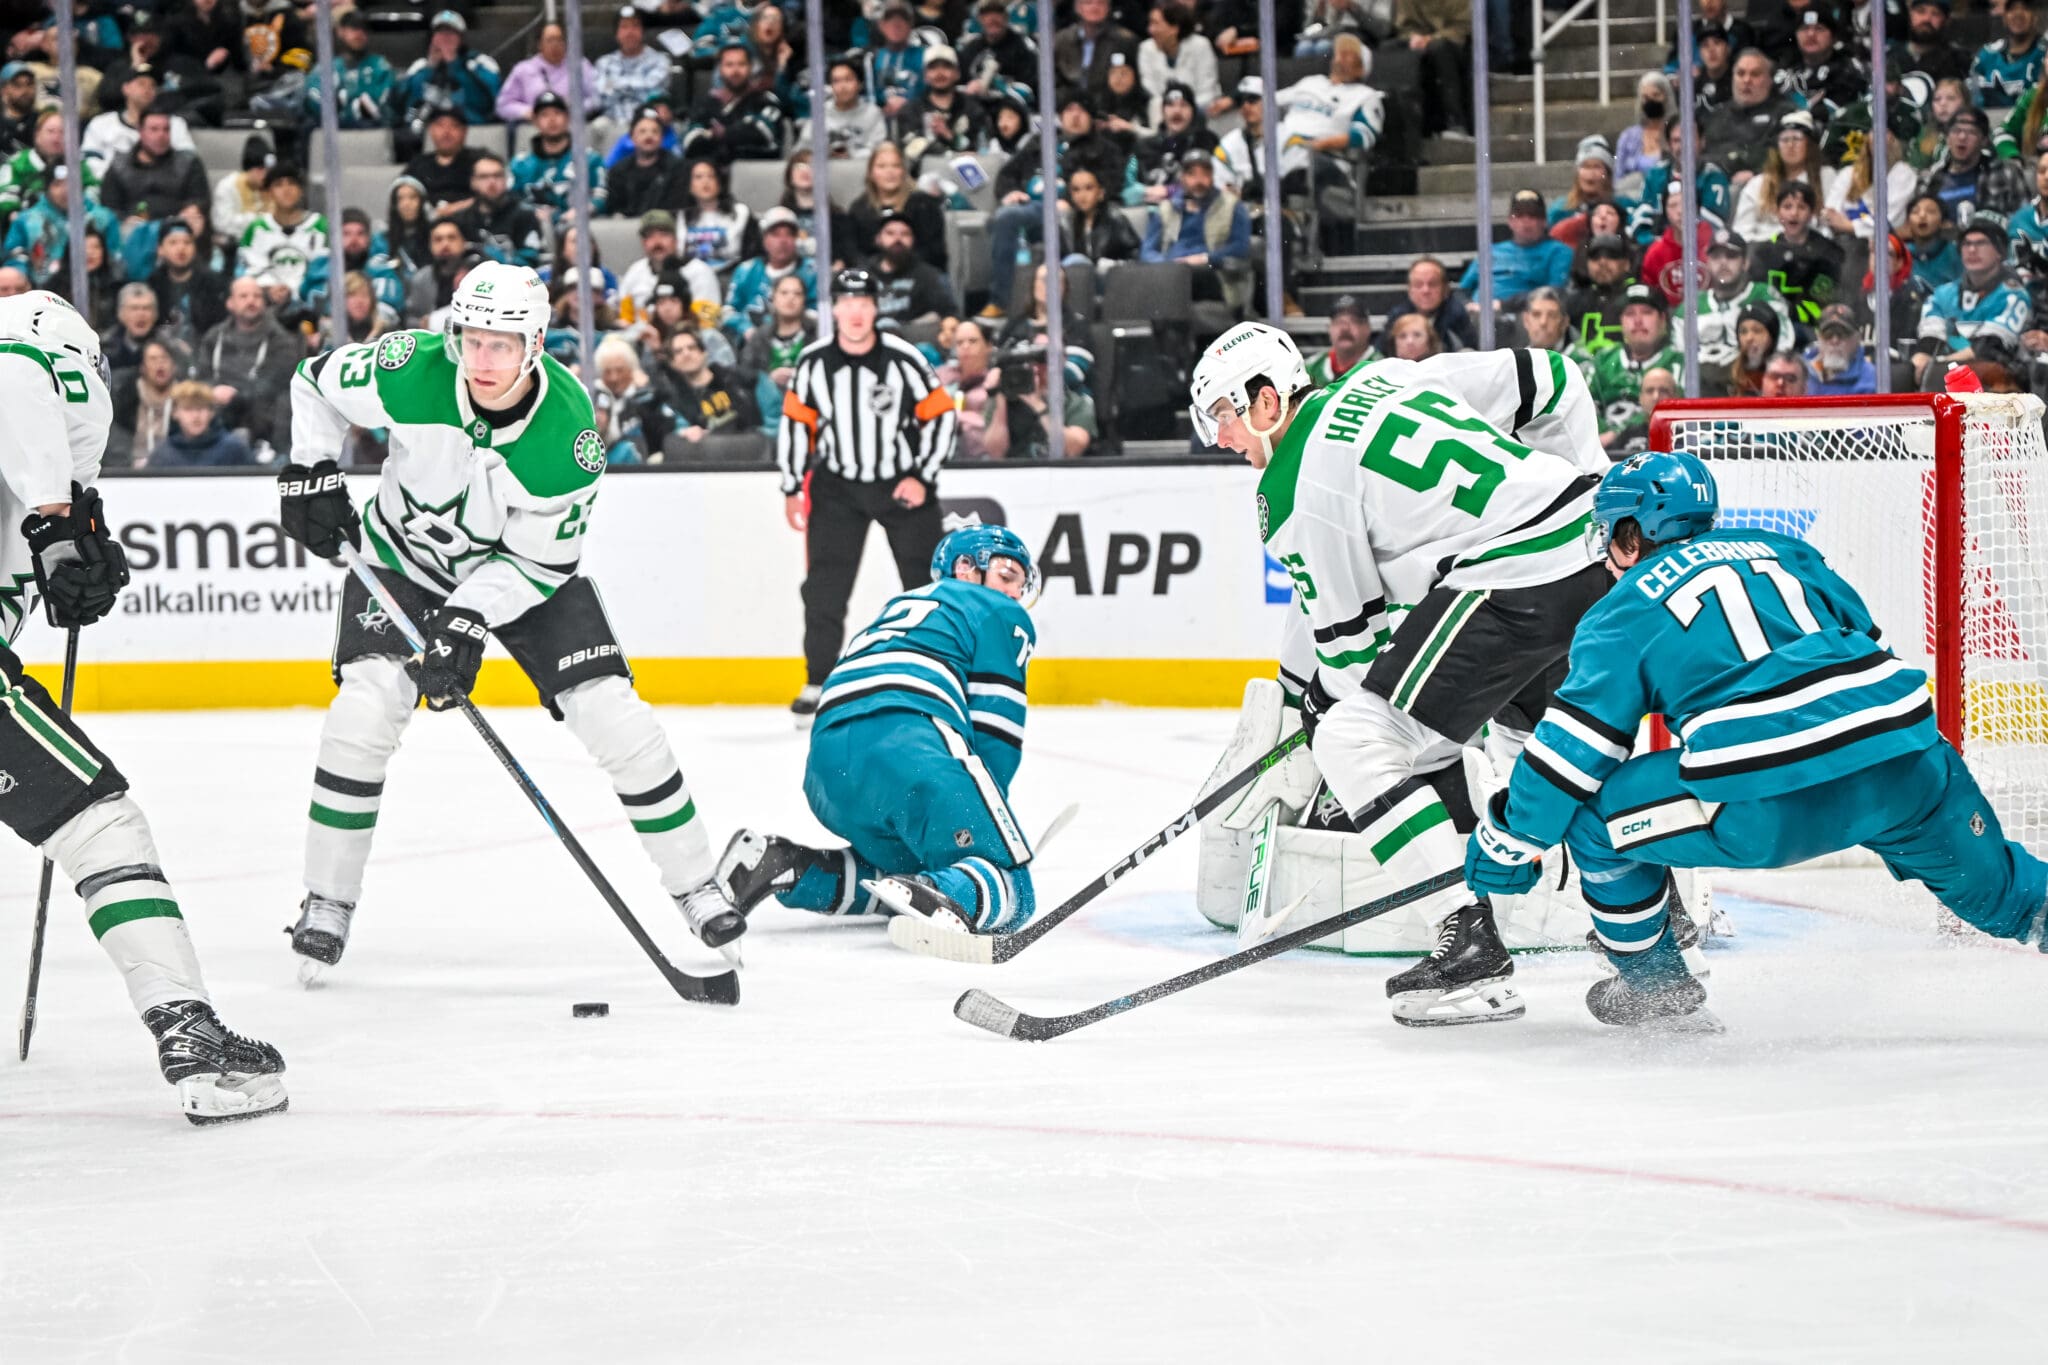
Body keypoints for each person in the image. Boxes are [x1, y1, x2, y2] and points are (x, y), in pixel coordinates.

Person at [1463, 449, 2048, 1029]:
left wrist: (1508, 841)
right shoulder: (1786, 549)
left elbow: (1572, 757)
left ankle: (1656, 989)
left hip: (1773, 805)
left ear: (1630, 533)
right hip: (1907, 764)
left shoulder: (1621, 610)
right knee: (2010, 898)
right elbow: (1863, 634)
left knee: (1593, 821)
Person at [279, 261, 747, 974]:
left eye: (503, 344)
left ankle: (696, 885)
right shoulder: (411, 367)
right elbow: (315, 381)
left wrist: (466, 616)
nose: (482, 359)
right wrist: (311, 467)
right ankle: (326, 900)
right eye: (472, 339)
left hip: (523, 573)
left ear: (535, 345)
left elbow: (537, 564)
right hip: (405, 559)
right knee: (362, 713)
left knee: (618, 717)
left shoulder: (567, 440)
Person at [1187, 322, 1609, 1026]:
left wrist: (1317, 712)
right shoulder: (1390, 376)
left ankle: (1466, 941)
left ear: (1266, 402)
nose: (1220, 439)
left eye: (1224, 417)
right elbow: (1555, 378)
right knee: (1558, 746)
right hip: (1595, 549)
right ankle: (1657, 932)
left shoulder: (1291, 487)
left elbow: (1355, 660)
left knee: (1353, 739)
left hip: (1513, 583)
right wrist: (1589, 481)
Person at [0, 290, 285, 1122]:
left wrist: (60, 531)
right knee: (100, 821)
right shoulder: (27, 360)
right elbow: (14, 367)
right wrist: (56, 520)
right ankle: (189, 1030)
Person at [718, 522, 1040, 937]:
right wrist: (993, 827)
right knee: (1012, 888)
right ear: (965, 567)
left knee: (903, 871)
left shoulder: (900, 606)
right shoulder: (999, 611)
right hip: (909, 741)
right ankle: (944, 895)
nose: (1015, 592)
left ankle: (784, 865)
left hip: (826, 767)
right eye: (1007, 575)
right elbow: (996, 734)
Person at [775, 268, 956, 725]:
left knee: (926, 586)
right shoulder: (814, 362)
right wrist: (793, 485)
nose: (856, 312)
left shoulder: (903, 357)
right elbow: (797, 424)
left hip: (900, 484)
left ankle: (936, 674)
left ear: (876, 309)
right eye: (847, 302)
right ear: (834, 309)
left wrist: (923, 476)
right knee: (824, 590)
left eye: (864, 303)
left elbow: (941, 416)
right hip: (839, 486)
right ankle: (818, 680)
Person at [1913, 212, 2031, 382]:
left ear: (2000, 252)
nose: (1972, 250)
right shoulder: (1943, 294)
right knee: (1904, 372)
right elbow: (1930, 338)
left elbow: (1990, 347)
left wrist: (1939, 367)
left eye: (1981, 243)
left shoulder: (2013, 295)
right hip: (1946, 372)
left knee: (1938, 375)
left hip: (2000, 382)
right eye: (1966, 244)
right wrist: (1920, 360)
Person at [1139, 148, 1252, 307]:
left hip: (1212, 273)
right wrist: (1168, 264)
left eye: (1204, 174)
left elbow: (1241, 247)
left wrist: (1206, 258)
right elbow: (1147, 251)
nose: (1199, 181)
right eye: (1192, 174)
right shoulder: (1166, 209)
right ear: (1183, 177)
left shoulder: (1231, 205)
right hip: (1172, 275)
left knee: (1193, 275)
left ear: (1212, 177)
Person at [197, 275, 299, 453]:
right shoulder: (214, 337)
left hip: (264, 421)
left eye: (257, 296)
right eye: (243, 296)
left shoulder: (282, 341)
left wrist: (236, 395)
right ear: (230, 303)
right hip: (217, 412)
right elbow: (202, 376)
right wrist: (212, 390)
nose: (251, 301)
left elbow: (271, 385)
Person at [1590, 283, 1686, 450]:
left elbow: (1678, 414)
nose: (1638, 321)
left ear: (1663, 320)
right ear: (1621, 321)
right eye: (1629, 314)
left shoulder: (1678, 361)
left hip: (1659, 449)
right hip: (1605, 453)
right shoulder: (1603, 359)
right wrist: (1600, 437)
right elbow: (1586, 407)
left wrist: (1618, 434)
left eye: (1647, 313)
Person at [1685, 228, 1793, 371]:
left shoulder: (1765, 296)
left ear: (1745, 263)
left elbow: (1783, 345)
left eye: (1731, 256)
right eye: (1716, 256)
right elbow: (1680, 356)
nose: (1723, 263)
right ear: (1707, 263)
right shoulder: (1693, 304)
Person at [1747, 181, 1845, 327]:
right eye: (1787, 207)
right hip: (1773, 327)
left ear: (1812, 213)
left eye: (1802, 207)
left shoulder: (1828, 252)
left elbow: (1832, 301)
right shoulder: (1763, 252)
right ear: (1777, 211)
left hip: (1815, 328)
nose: (1794, 213)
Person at [1456, 189, 1573, 311]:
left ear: (1544, 222)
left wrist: (1504, 305)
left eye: (1533, 216)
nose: (1526, 221)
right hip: (1477, 312)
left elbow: (1554, 294)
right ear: (1510, 222)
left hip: (1524, 315)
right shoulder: (1490, 251)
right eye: (1519, 215)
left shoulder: (1558, 251)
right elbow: (1462, 290)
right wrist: (1467, 304)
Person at [680, 37, 789, 164]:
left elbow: (761, 134)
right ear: (720, 69)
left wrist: (715, 134)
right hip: (713, 174)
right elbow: (691, 142)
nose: (735, 70)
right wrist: (739, 131)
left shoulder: (766, 100)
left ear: (751, 67)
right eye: (729, 65)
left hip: (755, 172)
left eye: (741, 64)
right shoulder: (705, 103)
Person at [395, 9, 501, 137]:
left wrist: (454, 64)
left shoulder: (480, 62)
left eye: (450, 33)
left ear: (461, 38)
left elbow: (486, 103)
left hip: (472, 129)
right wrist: (430, 69)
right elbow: (407, 103)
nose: (444, 37)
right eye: (440, 32)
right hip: (427, 130)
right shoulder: (420, 66)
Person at [1698, 49, 1800, 182]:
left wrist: (1756, 173)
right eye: (1740, 74)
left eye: (1755, 74)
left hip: (1765, 184)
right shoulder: (1716, 116)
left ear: (1769, 79)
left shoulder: (1786, 114)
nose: (1746, 80)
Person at [1916, 106, 2029, 225]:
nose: (1962, 137)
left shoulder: (2006, 173)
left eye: (1971, 132)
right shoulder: (1931, 178)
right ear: (1947, 138)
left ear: (1984, 140)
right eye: (1956, 131)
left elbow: (2024, 220)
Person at [98, 108, 208, 229]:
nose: (161, 135)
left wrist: (193, 209)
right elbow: (109, 207)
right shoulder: (119, 166)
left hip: (177, 228)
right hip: (132, 232)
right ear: (140, 131)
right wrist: (124, 220)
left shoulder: (188, 163)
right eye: (154, 129)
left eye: (166, 130)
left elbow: (200, 198)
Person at [983, 343, 1096, 457]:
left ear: (1062, 361)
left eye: (1044, 360)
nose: (1037, 367)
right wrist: (1001, 395)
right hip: (1015, 471)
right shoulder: (1006, 401)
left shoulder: (1077, 404)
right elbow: (995, 453)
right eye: (1031, 361)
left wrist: (1038, 405)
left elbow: (1073, 449)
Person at [512, 92, 608, 224]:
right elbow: (509, 200)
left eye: (557, 113)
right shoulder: (520, 164)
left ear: (567, 117)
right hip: (532, 229)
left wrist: (581, 212)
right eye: (544, 115)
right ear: (535, 121)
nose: (552, 119)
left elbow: (601, 196)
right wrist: (531, 213)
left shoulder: (590, 159)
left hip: (576, 227)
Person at [723, 205, 815, 342]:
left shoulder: (812, 271)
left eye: (789, 234)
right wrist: (746, 329)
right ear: (764, 240)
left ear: (796, 239)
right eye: (775, 234)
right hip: (752, 345)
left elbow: (821, 313)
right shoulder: (746, 270)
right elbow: (727, 312)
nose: (782, 241)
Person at [235, 161, 326, 294]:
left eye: (291, 183)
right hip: (266, 304)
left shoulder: (321, 226)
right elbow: (247, 271)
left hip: (310, 305)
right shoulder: (256, 229)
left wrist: (301, 291)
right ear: (269, 192)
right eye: (278, 185)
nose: (286, 190)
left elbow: (324, 272)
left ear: (301, 190)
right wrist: (269, 291)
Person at [1732, 110, 1822, 242]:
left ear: (1809, 144)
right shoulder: (1758, 184)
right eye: (1785, 140)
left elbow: (1828, 227)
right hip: (1764, 252)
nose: (1790, 146)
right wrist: (1776, 241)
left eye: (1797, 139)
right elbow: (1742, 232)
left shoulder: (1825, 176)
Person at [81, 67, 196, 169]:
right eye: (141, 84)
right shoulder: (101, 123)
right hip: (110, 187)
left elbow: (187, 160)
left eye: (152, 85)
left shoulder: (174, 123)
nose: (148, 89)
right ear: (125, 88)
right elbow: (89, 161)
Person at [893, 44, 988, 165]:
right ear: (925, 76)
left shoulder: (973, 108)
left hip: (965, 178)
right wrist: (946, 152)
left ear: (957, 73)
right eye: (933, 68)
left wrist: (950, 137)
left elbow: (983, 150)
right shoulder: (911, 110)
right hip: (922, 177)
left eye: (946, 67)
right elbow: (909, 150)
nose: (939, 73)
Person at [665, 326, 760, 444]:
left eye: (691, 348)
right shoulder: (676, 400)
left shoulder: (741, 379)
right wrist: (683, 432)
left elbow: (772, 419)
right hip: (711, 456)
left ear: (704, 352)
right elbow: (677, 428)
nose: (686, 354)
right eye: (678, 351)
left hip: (754, 448)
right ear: (673, 363)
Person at [451, 153, 545, 271]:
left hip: (512, 281)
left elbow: (530, 259)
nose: (492, 182)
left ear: (506, 180)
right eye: (484, 177)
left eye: (497, 176)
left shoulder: (524, 215)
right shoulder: (461, 219)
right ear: (473, 182)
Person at [305, 8, 394, 131]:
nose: (359, 34)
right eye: (353, 28)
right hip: (331, 129)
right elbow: (314, 98)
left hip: (370, 128)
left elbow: (385, 103)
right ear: (341, 31)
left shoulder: (380, 66)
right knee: (308, 126)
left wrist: (358, 105)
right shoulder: (326, 68)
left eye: (364, 29)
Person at [1396, 0, 1474, 140]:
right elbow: (1405, 25)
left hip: (1455, 43)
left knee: (1439, 48)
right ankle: (1407, 131)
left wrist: (1431, 38)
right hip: (1419, 42)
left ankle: (1455, 122)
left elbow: (1463, 26)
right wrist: (1414, 37)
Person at [496, 21, 600, 126]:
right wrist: (531, 111)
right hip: (533, 129)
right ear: (539, 45)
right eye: (550, 40)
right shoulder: (523, 70)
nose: (555, 45)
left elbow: (597, 98)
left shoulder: (580, 65)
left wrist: (574, 108)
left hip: (573, 127)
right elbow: (503, 105)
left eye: (559, 40)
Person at [870, 210, 959, 328]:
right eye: (890, 233)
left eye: (905, 234)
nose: (898, 239)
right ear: (878, 239)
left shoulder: (928, 275)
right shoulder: (864, 274)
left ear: (913, 240)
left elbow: (949, 314)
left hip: (913, 342)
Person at [1377, 255, 1478, 353]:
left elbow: (1471, 350)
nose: (1425, 290)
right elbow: (1381, 351)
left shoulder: (1456, 314)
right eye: (1418, 284)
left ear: (1445, 289)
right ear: (1409, 290)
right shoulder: (1398, 316)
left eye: (1433, 284)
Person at [1139, 3, 1224, 119]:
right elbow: (1151, 90)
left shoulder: (1200, 45)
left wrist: (1184, 111)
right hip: (1163, 117)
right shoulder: (1146, 49)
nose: (1150, 30)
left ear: (1174, 28)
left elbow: (1207, 92)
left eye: (1156, 24)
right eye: (1150, 23)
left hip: (1200, 115)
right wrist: (1171, 112)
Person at [149, 218, 229, 339]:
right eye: (173, 242)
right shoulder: (152, 286)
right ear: (160, 249)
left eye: (187, 242)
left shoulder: (213, 284)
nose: (181, 248)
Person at [595, 6, 672, 130]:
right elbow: (602, 98)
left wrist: (615, 85)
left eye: (635, 26)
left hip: (648, 122)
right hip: (612, 122)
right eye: (624, 27)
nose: (630, 32)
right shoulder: (604, 63)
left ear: (643, 31)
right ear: (616, 34)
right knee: (596, 126)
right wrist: (639, 85)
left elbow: (653, 94)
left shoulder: (660, 61)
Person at [149, 378, 253, 466]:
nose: (196, 416)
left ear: (212, 412)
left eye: (201, 408)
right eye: (188, 409)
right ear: (175, 413)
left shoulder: (234, 450)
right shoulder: (162, 455)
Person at [605, 105, 686, 219]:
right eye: (642, 131)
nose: (649, 136)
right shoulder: (618, 171)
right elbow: (613, 209)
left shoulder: (676, 168)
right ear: (632, 137)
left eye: (655, 131)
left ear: (661, 137)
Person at [404, 107, 486, 215]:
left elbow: (493, 194)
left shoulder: (480, 160)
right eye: (440, 125)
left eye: (454, 126)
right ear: (431, 130)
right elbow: (402, 194)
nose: (446, 132)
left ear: (464, 131)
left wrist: (454, 209)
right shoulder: (418, 164)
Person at [1055, 0, 1141, 102]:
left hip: (1110, 107)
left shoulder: (1125, 41)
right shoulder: (1061, 40)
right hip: (1068, 108)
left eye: (1101, 3)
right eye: (1088, 2)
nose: (1095, 7)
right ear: (1077, 8)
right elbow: (1054, 81)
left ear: (1108, 7)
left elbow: (1131, 86)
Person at [805, 58, 889, 162]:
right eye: (836, 81)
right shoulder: (820, 113)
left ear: (860, 84)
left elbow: (880, 152)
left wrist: (852, 154)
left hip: (862, 171)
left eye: (848, 79)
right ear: (830, 86)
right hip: (827, 172)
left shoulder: (873, 113)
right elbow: (804, 149)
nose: (842, 86)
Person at [1562, 233, 1635, 353]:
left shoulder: (1640, 298)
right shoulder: (1574, 301)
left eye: (1611, 256)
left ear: (1626, 264)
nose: (1602, 262)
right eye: (1595, 257)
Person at [963, 0, 1043, 102]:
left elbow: (1030, 88)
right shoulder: (971, 48)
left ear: (1006, 17)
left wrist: (1002, 87)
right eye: (987, 14)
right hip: (977, 107)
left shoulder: (1022, 46)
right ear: (980, 19)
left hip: (1013, 108)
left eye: (998, 13)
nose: (992, 19)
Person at [1061, 164, 1142, 265]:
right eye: (1076, 190)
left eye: (1089, 188)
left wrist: (1114, 265)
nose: (1082, 195)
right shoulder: (1066, 223)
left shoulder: (1115, 219)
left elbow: (1135, 256)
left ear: (1101, 193)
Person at [1973, 0, 2046, 111]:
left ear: (2035, 16)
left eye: (2025, 8)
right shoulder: (1986, 56)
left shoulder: (2045, 54)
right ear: (2004, 17)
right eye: (2011, 9)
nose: (2018, 14)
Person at [1895, 0, 1972, 84]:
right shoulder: (1888, 58)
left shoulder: (1959, 62)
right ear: (1910, 14)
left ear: (1946, 21)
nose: (1926, 19)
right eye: (1921, 11)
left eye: (1935, 14)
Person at [1616, 73, 1672, 180]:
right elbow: (1618, 177)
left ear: (1666, 97)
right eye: (1645, 97)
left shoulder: (1677, 133)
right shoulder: (1628, 137)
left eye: (1656, 95)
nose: (1651, 101)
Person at [1306, 292, 1369, 385]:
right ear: (1329, 328)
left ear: (1367, 328)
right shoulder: (1310, 369)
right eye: (1338, 321)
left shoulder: (1381, 367)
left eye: (1354, 321)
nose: (1345, 328)